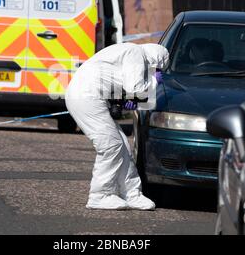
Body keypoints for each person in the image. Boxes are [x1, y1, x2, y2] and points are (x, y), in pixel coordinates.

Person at [65, 43, 169, 210]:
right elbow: (136, 89)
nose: (154, 72)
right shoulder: (136, 53)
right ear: (155, 61)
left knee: (122, 145)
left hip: (88, 96)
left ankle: (132, 193)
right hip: (86, 97)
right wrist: (154, 80)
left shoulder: (128, 51)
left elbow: (114, 81)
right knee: (110, 145)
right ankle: (100, 195)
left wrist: (123, 101)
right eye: (157, 69)